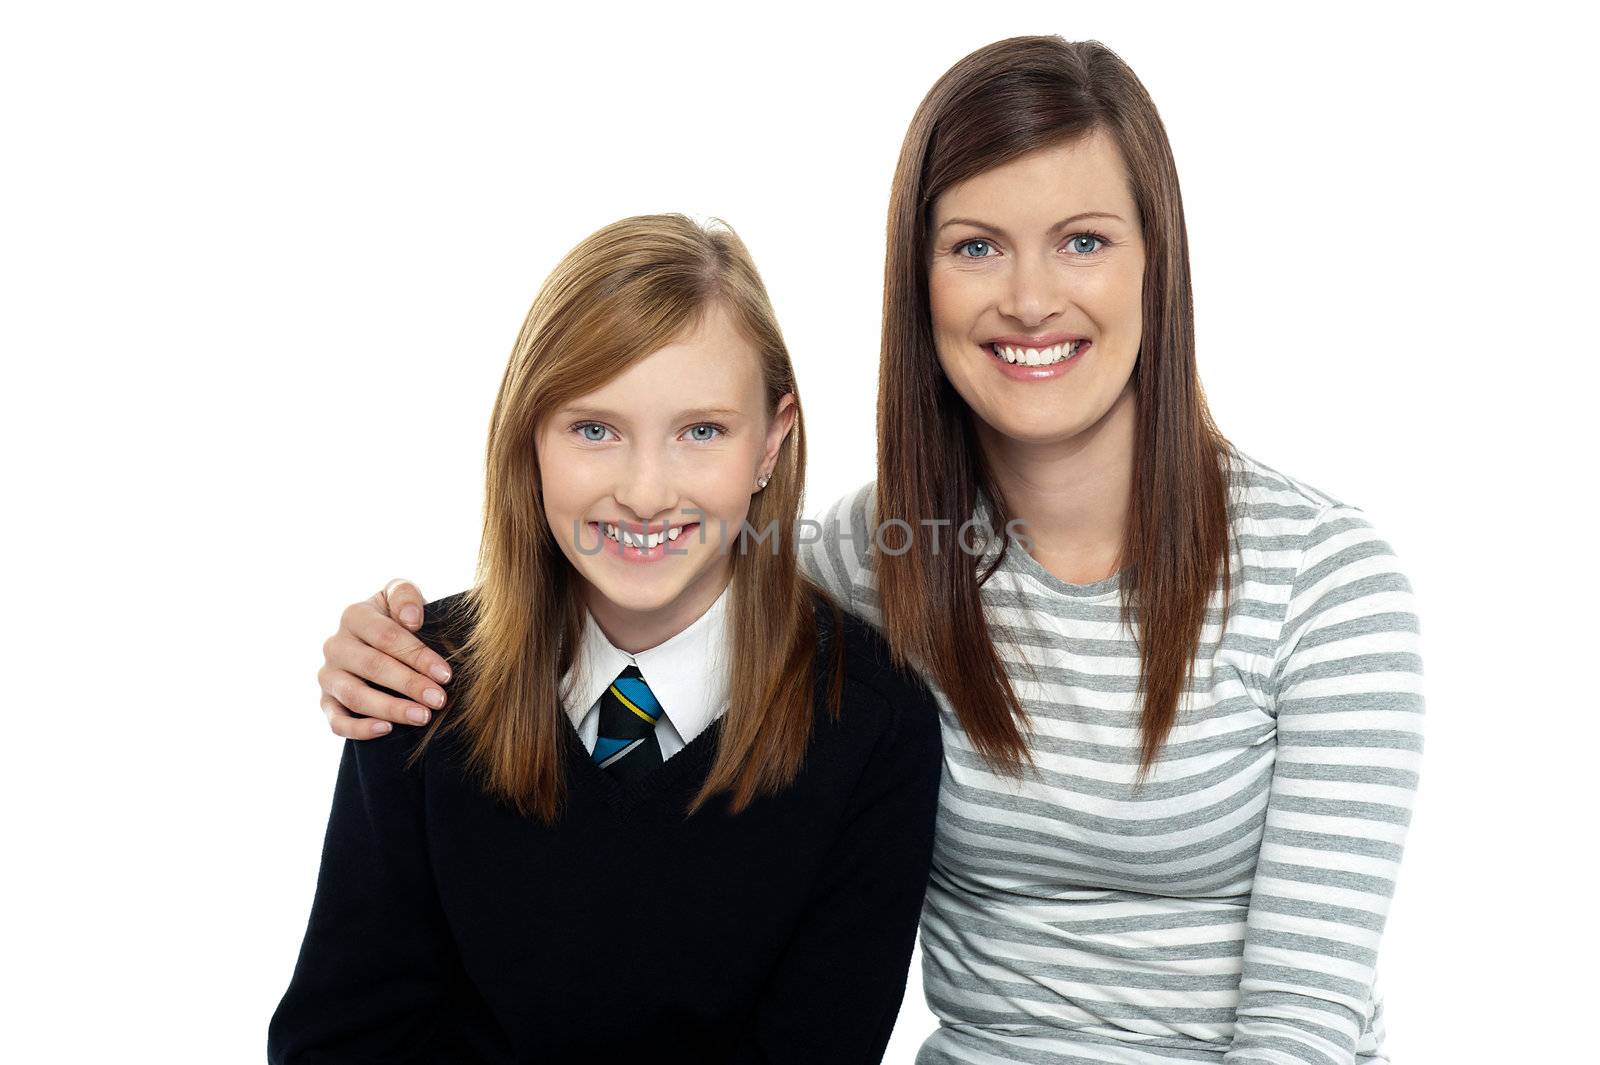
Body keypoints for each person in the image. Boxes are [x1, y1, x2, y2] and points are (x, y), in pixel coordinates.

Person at [313, 37, 1424, 1065]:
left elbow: (1303, 1021)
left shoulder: (1323, 584)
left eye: (1083, 241)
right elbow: (647, 599)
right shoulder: (863, 559)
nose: (1029, 298)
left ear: (1156, 265)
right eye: (975, 246)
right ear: (919, 279)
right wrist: (400, 649)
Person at [269, 213, 945, 1064]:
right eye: (595, 430)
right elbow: (340, 1040)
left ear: (772, 440)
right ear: (532, 437)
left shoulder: (872, 725)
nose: (645, 491)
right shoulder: (417, 677)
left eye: (702, 431)